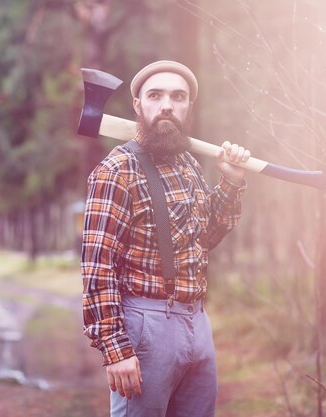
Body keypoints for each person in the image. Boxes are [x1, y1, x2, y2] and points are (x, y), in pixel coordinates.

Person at [81, 60, 251, 417]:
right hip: (146, 325)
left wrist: (231, 182)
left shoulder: (187, 164)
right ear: (138, 105)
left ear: (188, 106)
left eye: (178, 96)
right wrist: (117, 349)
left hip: (197, 322)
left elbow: (204, 238)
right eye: (155, 95)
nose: (167, 105)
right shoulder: (116, 171)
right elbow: (98, 267)